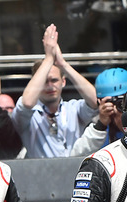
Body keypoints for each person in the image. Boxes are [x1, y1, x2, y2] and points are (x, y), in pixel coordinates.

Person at [12, 23, 98, 158]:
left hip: (74, 174)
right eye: (44, 81)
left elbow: (95, 101)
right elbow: (27, 103)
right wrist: (48, 59)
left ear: (63, 82)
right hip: (40, 176)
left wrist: (63, 64)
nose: (50, 86)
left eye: (54, 80)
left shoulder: (73, 108)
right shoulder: (29, 116)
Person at [69, 67, 127, 157]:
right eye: (113, 101)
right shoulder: (98, 131)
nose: (120, 106)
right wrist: (101, 125)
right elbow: (75, 157)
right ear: (100, 102)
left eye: (123, 100)